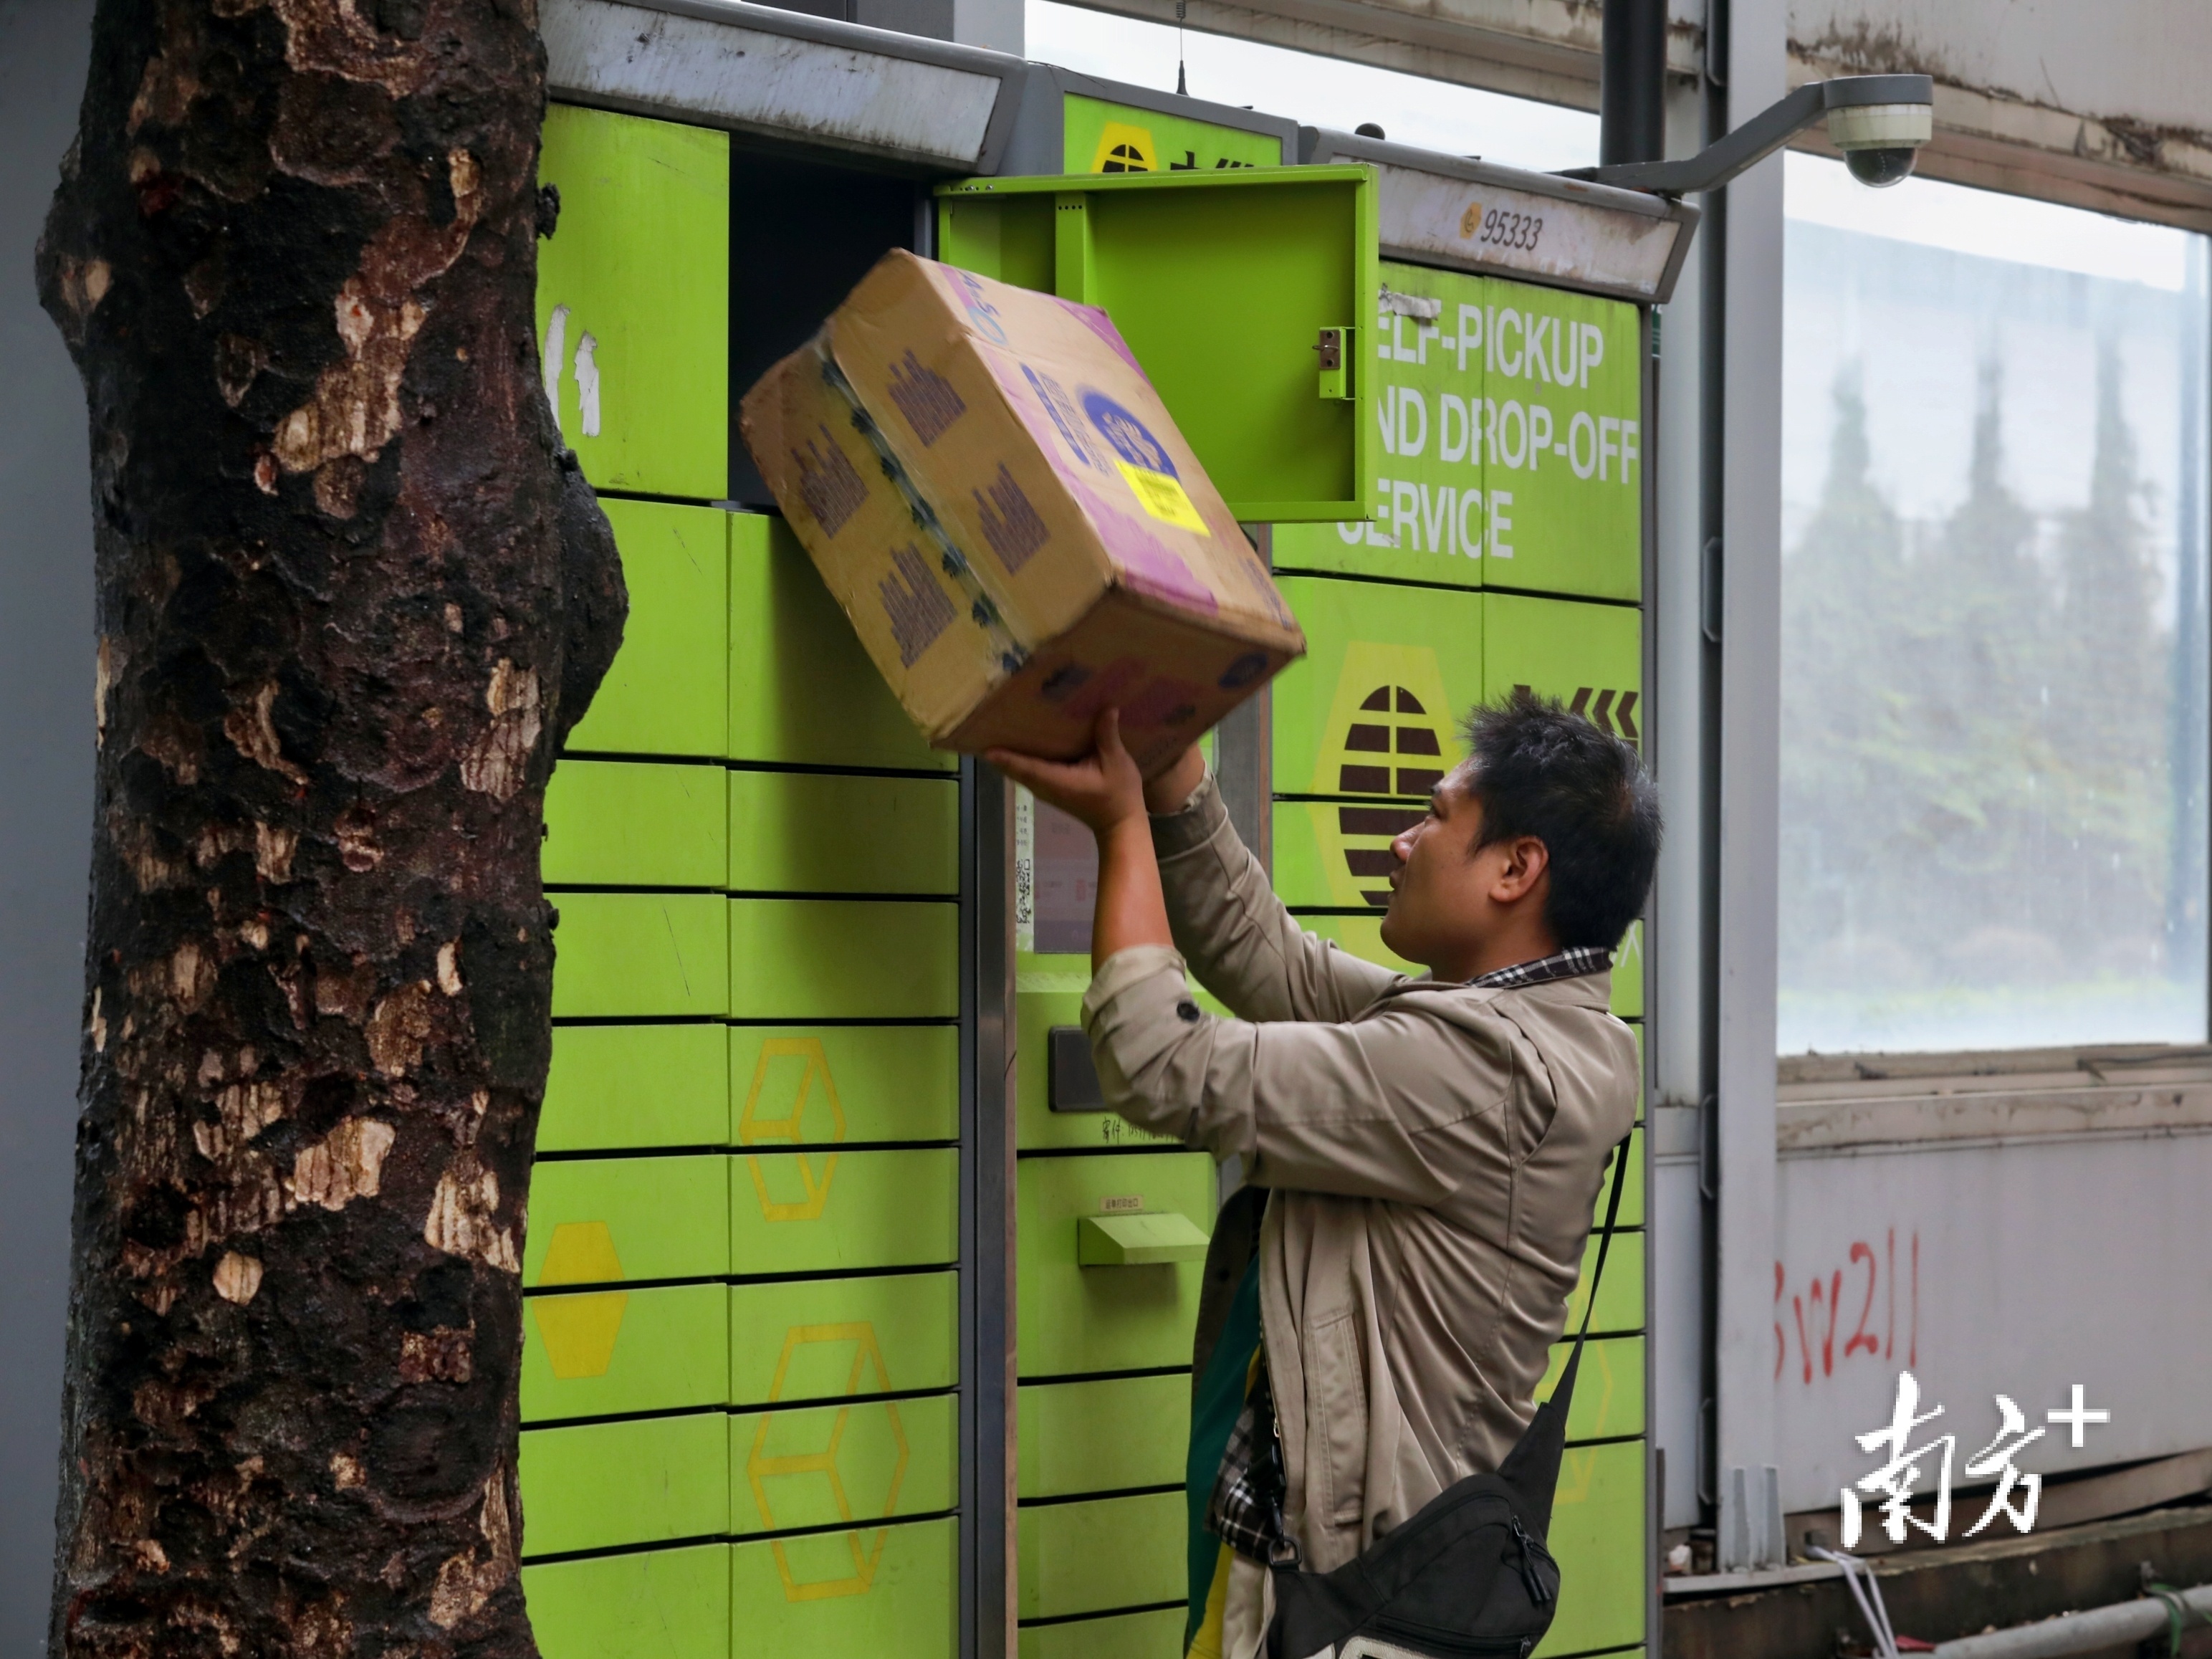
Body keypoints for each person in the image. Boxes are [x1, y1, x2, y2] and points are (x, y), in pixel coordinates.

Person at [988, 689, 1659, 1659]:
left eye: (1436, 816)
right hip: (1330, 1574)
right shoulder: (1536, 1031)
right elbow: (1276, 968)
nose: (1402, 841)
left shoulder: (1490, 1071)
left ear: (1517, 869)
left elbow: (1153, 1057)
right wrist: (1170, 756)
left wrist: (1120, 828)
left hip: (1343, 1601)